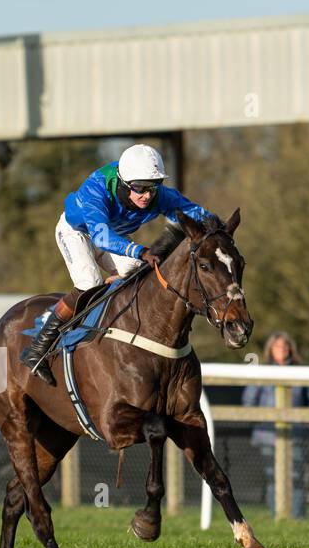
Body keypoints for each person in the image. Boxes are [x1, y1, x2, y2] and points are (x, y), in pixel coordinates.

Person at [19, 143, 215, 385]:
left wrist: (220, 230)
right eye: (140, 188)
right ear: (123, 183)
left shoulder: (156, 194)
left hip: (113, 236)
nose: (147, 195)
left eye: (153, 187)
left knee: (141, 276)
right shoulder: (96, 188)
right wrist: (140, 250)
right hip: (78, 233)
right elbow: (101, 236)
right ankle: (37, 349)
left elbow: (193, 212)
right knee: (89, 283)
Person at [242, 331, 309, 518]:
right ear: (270, 349)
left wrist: (306, 419)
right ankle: (276, 516)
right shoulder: (261, 372)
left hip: (295, 434)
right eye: (278, 346)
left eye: (285, 346)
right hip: (267, 435)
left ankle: (297, 517)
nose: (282, 350)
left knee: (296, 477)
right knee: (274, 478)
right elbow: (249, 401)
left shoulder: (301, 372)